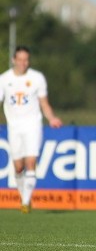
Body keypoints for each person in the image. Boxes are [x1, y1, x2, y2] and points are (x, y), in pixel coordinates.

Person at [0, 45, 63, 213]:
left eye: (25, 60)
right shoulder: (4, 79)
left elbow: (44, 103)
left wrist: (52, 118)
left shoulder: (37, 78)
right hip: (14, 126)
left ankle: (26, 202)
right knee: (18, 167)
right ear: (14, 60)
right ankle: (24, 196)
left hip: (33, 125)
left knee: (30, 163)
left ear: (28, 61)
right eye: (19, 59)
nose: (22, 63)